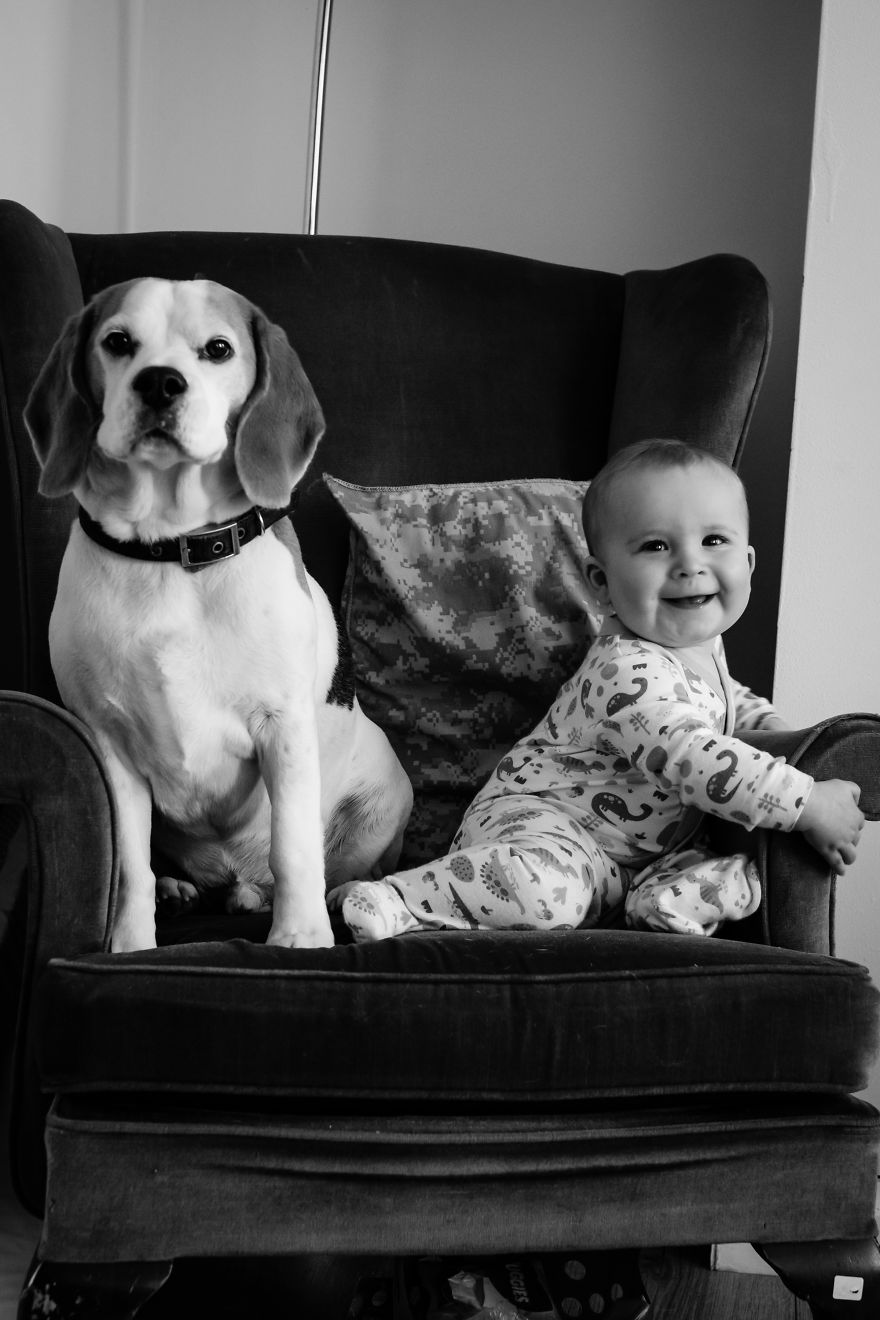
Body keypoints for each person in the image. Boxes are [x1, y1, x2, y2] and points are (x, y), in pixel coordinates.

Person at [337, 439, 864, 941]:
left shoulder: (698, 649)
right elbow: (692, 756)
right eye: (656, 546)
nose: (690, 564)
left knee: (719, 870)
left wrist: (782, 733)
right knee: (549, 894)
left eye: (713, 541)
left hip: (631, 858)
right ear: (601, 582)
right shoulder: (628, 673)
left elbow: (728, 701)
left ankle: (657, 903)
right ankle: (398, 899)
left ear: (747, 564)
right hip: (544, 828)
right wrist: (806, 801)